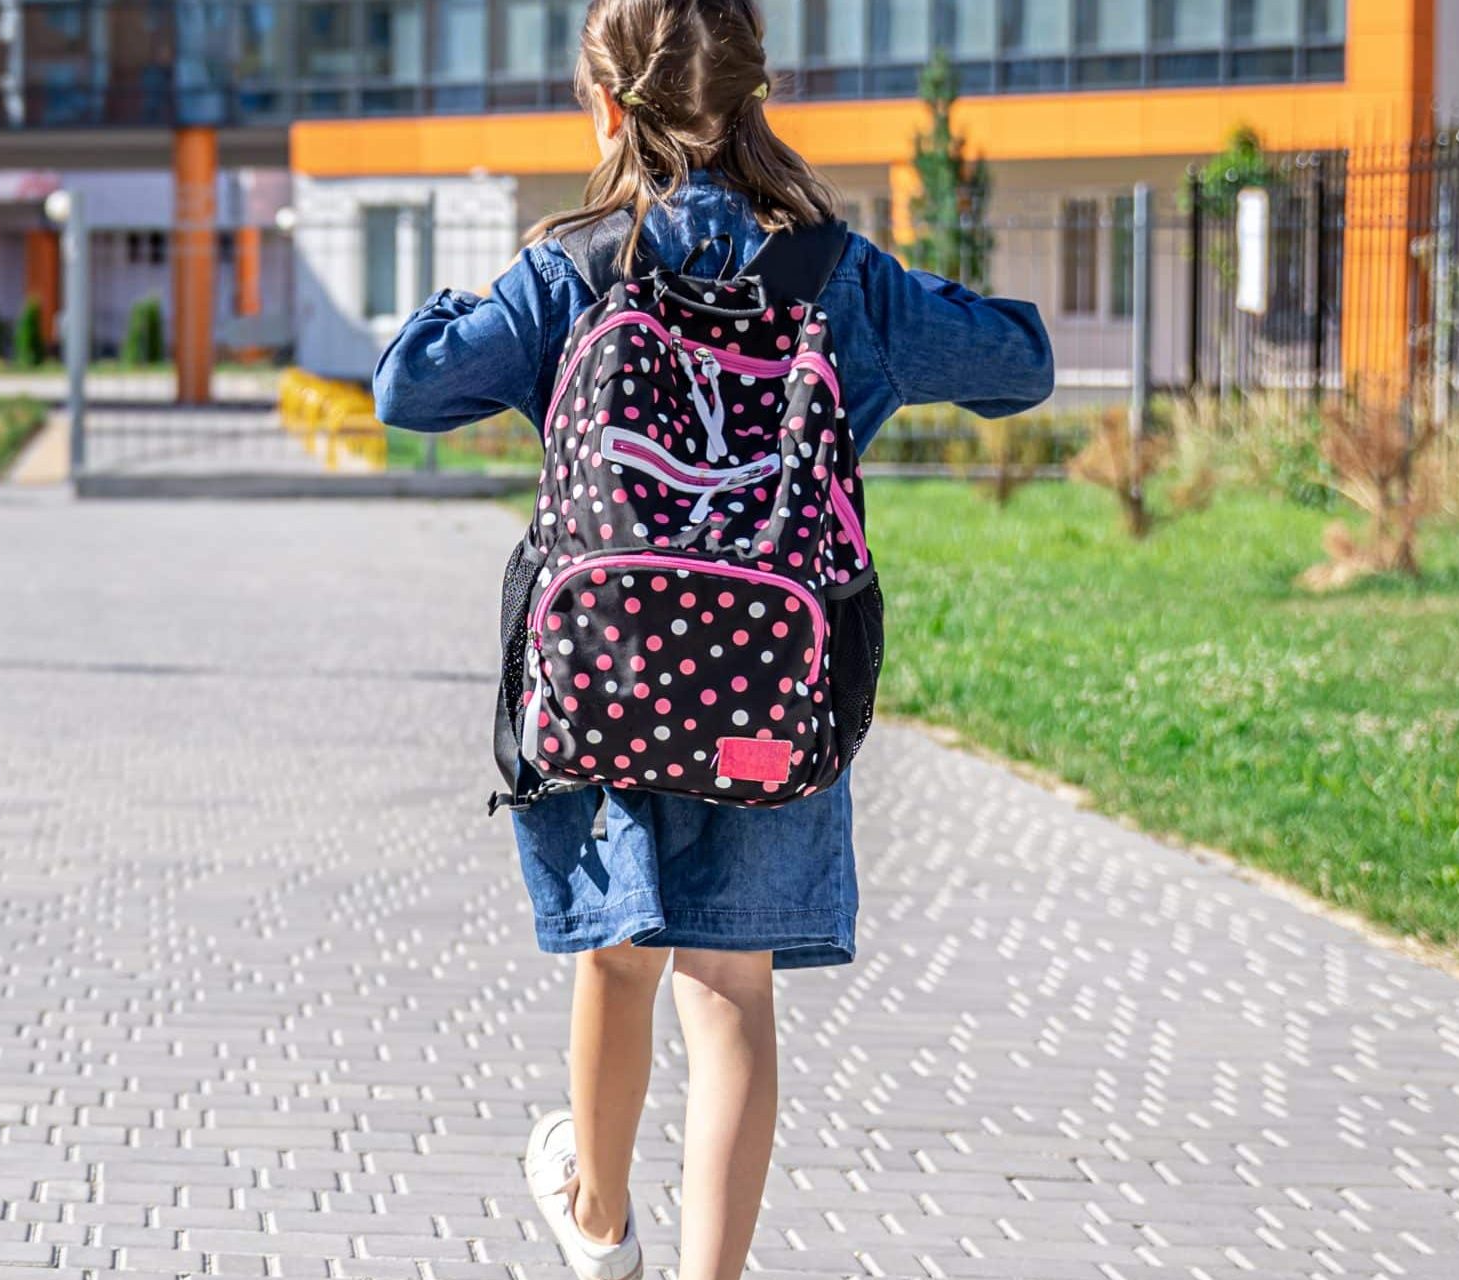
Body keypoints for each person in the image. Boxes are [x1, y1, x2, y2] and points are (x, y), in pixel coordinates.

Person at [371, 2, 1054, 1277]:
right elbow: (1020, 363)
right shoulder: (838, 275)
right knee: (732, 985)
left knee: (618, 961)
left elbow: (408, 386)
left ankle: (597, 1220)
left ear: (607, 107)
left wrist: (499, 289)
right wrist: (902, 299)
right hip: (772, 693)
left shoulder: (574, 270)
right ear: (752, 96)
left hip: (609, 679)